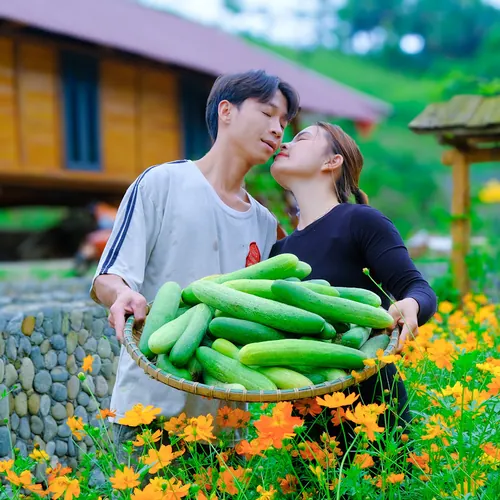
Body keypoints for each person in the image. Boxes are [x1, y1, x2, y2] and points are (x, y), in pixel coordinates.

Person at [90, 70, 300, 462]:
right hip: (149, 412)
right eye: (268, 113)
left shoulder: (265, 223)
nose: (277, 129)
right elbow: (110, 275)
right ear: (226, 111)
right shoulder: (162, 183)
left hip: (226, 427)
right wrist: (121, 294)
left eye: (284, 122)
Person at [269, 122, 437, 455]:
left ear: (332, 161)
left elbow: (417, 287)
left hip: (373, 408)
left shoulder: (361, 221)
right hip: (304, 416)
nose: (284, 142)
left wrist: (412, 305)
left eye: (301, 138)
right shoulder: (279, 253)